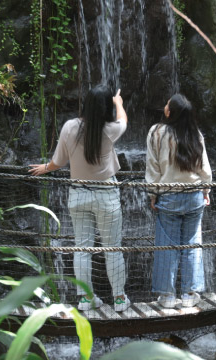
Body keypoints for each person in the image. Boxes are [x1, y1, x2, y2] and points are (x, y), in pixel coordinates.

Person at [29, 85, 130, 312]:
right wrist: (119, 103)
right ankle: (120, 299)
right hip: (106, 195)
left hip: (79, 194)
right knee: (112, 248)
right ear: (105, 109)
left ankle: (85, 299)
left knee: (82, 248)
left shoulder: (69, 127)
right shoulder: (110, 129)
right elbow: (123, 120)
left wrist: (45, 168)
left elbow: (58, 162)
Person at [145, 94, 212, 308]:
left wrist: (153, 194)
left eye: (167, 104)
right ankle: (190, 294)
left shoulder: (157, 132)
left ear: (170, 112)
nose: (164, 106)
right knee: (192, 244)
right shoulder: (195, 134)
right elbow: (205, 168)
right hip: (194, 196)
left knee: (167, 246)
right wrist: (206, 190)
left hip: (169, 196)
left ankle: (166, 296)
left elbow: (153, 168)